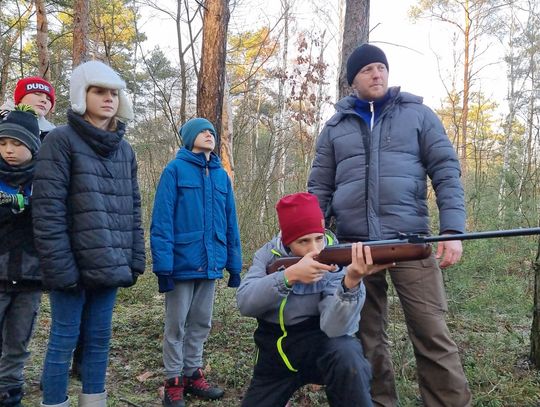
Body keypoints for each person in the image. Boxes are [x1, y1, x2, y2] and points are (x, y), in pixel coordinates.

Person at [308, 43, 471, 407]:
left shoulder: (418, 115)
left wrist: (452, 230)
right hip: (355, 248)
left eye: (381, 67)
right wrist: (314, 241)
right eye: (367, 69)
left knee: (432, 332)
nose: (377, 73)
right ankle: (378, 402)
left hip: (411, 241)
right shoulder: (334, 128)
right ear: (353, 81)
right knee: (366, 336)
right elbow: (318, 188)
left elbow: (446, 172)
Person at [32, 60, 145, 407]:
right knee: (64, 339)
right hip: (71, 267)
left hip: (109, 264)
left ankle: (94, 402)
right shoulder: (60, 141)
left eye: (113, 92)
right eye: (99, 91)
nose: (108, 99)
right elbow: (47, 211)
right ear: (83, 94)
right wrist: (61, 268)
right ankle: (54, 402)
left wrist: (135, 258)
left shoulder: (124, 149)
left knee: (98, 339)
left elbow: (132, 209)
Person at [237, 192, 391, 407]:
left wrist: (351, 281)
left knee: (347, 355)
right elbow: (245, 302)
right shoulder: (267, 256)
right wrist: (288, 277)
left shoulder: (337, 258)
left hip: (322, 348)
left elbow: (335, 329)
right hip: (275, 357)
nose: (315, 249)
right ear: (287, 241)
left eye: (319, 238)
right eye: (303, 241)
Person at [150, 117, 242, 407]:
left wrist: (234, 264)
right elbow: (161, 222)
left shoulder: (221, 176)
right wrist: (163, 267)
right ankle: (174, 380)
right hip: (180, 263)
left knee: (201, 322)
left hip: (212, 262)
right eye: (203, 131)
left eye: (212, 132)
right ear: (189, 138)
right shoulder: (174, 171)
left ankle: (192, 373)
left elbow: (231, 224)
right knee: (176, 325)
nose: (209, 135)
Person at [0, 107, 41, 407]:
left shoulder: (45, 180)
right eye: (2, 143)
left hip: (31, 277)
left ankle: (10, 388)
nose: (9, 150)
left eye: (17, 143)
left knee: (18, 339)